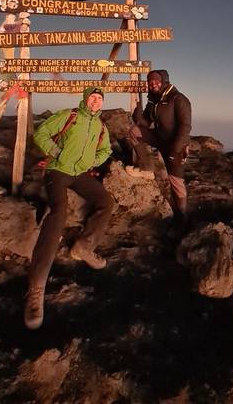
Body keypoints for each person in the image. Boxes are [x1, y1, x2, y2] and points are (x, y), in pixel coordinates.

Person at [24, 86, 114, 330]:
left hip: (81, 174)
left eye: (99, 99)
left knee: (107, 202)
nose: (96, 102)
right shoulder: (70, 116)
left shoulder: (101, 127)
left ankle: (83, 247)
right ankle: (36, 288)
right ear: (86, 99)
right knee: (58, 212)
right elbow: (41, 132)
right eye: (93, 98)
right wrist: (57, 152)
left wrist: (92, 161)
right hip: (57, 171)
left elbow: (106, 150)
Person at [127, 69, 191, 231]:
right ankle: (147, 168)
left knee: (176, 182)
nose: (153, 84)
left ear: (164, 81)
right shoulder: (154, 100)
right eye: (150, 82)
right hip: (160, 138)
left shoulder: (179, 99)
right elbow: (146, 122)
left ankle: (181, 218)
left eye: (156, 81)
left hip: (175, 145)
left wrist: (175, 150)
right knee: (134, 132)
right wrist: (138, 117)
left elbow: (185, 127)